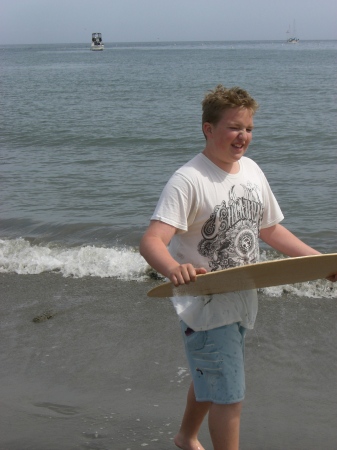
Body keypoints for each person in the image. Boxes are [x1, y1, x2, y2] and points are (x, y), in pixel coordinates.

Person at [139, 85, 336, 450]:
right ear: (208, 129)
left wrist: (317, 262)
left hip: (241, 298)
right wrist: (172, 269)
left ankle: (185, 437)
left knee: (213, 376)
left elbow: (270, 229)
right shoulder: (189, 180)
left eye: (248, 128)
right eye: (233, 127)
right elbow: (151, 241)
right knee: (229, 395)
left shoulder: (252, 171)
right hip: (207, 306)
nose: (242, 136)